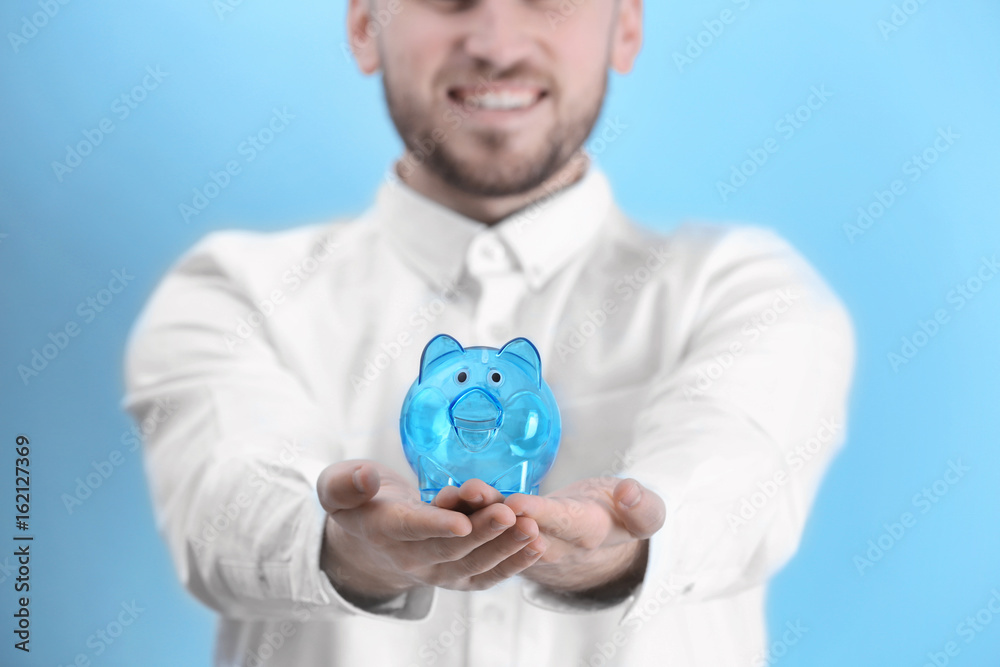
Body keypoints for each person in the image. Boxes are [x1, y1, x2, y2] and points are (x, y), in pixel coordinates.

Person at [123, 1, 855, 665]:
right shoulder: (231, 290)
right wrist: (346, 548)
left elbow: (738, 471)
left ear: (626, 26)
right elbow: (220, 500)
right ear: (362, 25)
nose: (498, 44)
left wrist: (614, 548)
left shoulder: (748, 290)